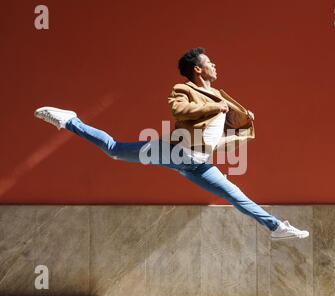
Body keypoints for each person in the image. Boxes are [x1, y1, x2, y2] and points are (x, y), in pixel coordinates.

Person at [34, 47, 309, 240]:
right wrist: (218, 109)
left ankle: (276, 228)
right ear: (198, 68)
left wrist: (244, 127)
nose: (215, 65)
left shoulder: (218, 97)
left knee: (234, 194)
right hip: (176, 151)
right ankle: (70, 121)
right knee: (115, 150)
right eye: (210, 62)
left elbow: (215, 139)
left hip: (199, 163)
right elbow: (179, 111)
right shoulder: (185, 89)